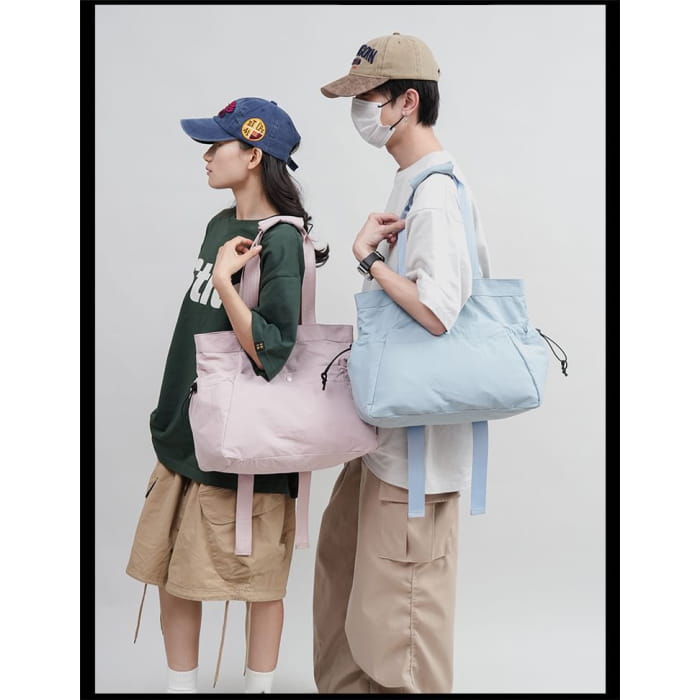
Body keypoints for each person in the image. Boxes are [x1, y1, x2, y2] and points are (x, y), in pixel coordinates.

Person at [126, 96, 328, 694]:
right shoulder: (220, 224)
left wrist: (224, 281)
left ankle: (258, 689)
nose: (207, 156)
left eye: (218, 144)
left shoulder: (282, 241)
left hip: (242, 444)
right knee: (173, 573)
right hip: (186, 431)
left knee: (259, 582)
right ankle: (181, 687)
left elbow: (272, 350)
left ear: (255, 154)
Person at [313, 33, 492, 693]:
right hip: (386, 436)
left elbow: (439, 311)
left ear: (407, 101)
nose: (359, 112)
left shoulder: (436, 195)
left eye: (368, 97)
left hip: (416, 456)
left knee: (403, 624)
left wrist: (368, 259)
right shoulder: (412, 184)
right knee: (347, 585)